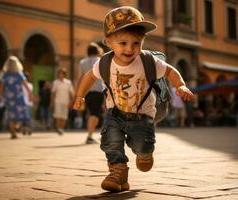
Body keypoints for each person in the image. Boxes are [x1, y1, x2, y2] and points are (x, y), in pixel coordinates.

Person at [73, 6, 194, 192]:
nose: (130, 49)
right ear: (108, 42)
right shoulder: (104, 62)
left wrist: (181, 85)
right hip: (115, 113)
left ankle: (145, 154)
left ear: (143, 42)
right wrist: (80, 95)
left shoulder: (148, 61)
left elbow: (170, 70)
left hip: (142, 115)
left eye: (136, 43)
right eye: (122, 43)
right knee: (110, 141)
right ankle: (117, 173)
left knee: (142, 146)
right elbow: (89, 76)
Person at [0, 56, 32, 139]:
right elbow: (26, 85)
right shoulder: (19, 74)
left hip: (9, 97)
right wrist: (29, 94)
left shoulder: (5, 75)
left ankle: (13, 132)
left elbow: (1, 87)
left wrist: (0, 95)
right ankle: (16, 127)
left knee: (11, 114)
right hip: (18, 97)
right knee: (20, 113)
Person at [77, 42, 104, 144]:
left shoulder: (82, 62)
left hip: (87, 92)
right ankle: (89, 136)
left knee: (94, 114)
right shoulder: (100, 61)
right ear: (97, 51)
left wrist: (78, 93)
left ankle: (93, 134)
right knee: (94, 113)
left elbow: (79, 78)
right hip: (98, 91)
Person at [51, 68, 74, 135]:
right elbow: (53, 93)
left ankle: (61, 128)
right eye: (59, 74)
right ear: (58, 74)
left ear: (64, 74)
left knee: (64, 116)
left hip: (66, 102)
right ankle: (59, 129)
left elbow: (72, 92)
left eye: (62, 74)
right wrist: (51, 102)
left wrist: (73, 100)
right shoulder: (55, 82)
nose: (61, 75)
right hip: (57, 101)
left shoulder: (68, 82)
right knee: (58, 116)